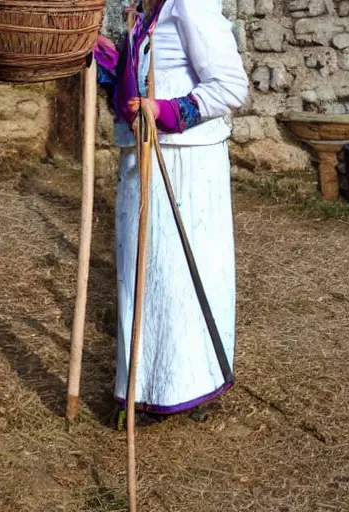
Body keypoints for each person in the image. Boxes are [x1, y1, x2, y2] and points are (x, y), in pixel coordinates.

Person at [94, 0, 249, 425]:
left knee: (175, 277)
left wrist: (167, 110)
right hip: (143, 160)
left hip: (184, 167)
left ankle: (189, 385)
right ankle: (149, 386)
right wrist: (110, 61)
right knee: (147, 276)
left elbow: (231, 86)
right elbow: (134, 92)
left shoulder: (191, 5)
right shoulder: (146, 14)